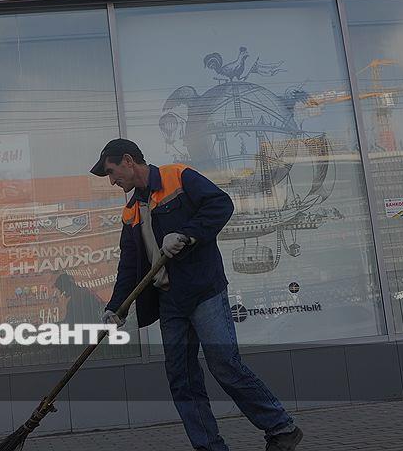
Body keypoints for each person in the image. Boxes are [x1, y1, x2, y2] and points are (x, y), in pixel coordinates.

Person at [91, 139, 303, 451]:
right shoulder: (131, 212)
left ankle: (282, 428)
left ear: (127, 160)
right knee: (182, 378)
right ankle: (208, 446)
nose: (111, 181)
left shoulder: (178, 176)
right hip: (169, 302)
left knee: (224, 365)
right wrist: (116, 307)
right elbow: (128, 266)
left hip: (203, 291)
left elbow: (221, 205)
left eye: (111, 172)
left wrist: (188, 235)